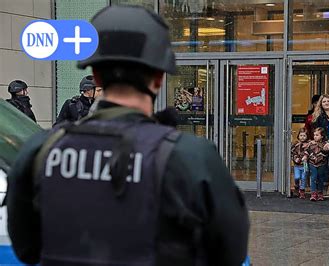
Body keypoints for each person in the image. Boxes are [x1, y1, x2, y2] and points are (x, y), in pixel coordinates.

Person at [7, 5, 249, 266]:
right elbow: (230, 254)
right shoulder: (191, 158)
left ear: (97, 75)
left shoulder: (40, 151)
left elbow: (27, 249)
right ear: (158, 78)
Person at [312, 94, 329, 198]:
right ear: (321, 104)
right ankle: (323, 189)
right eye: (324, 102)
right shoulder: (319, 117)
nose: (326, 103)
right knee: (325, 167)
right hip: (325, 144)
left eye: (328, 101)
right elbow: (317, 132)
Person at [305, 127, 329, 201]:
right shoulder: (311, 144)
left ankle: (320, 193)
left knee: (321, 178)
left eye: (317, 135)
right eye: (314, 135)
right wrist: (305, 157)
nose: (315, 136)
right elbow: (307, 151)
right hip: (312, 163)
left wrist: (326, 148)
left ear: (322, 136)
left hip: (322, 164)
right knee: (313, 177)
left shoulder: (325, 144)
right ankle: (313, 193)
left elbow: (327, 153)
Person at [290, 128, 309, 199]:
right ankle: (296, 187)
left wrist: (306, 156)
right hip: (297, 165)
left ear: (307, 136)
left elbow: (309, 152)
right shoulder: (296, 144)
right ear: (298, 136)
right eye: (301, 135)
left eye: (304, 135)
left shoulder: (308, 144)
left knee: (303, 178)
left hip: (304, 165)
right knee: (297, 177)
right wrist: (296, 158)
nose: (302, 137)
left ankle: (302, 191)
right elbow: (292, 152)